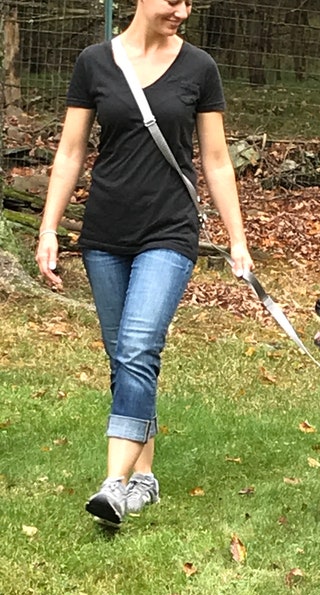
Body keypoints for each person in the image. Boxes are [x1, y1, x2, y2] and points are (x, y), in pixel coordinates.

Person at [35, 0, 254, 527]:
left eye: (189, 1)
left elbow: (217, 161)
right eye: (173, 0)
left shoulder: (200, 68)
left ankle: (115, 484)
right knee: (123, 358)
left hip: (169, 231)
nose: (184, 10)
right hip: (105, 234)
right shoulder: (94, 62)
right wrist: (48, 226)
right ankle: (145, 479)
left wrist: (238, 239)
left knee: (137, 346)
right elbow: (70, 151)